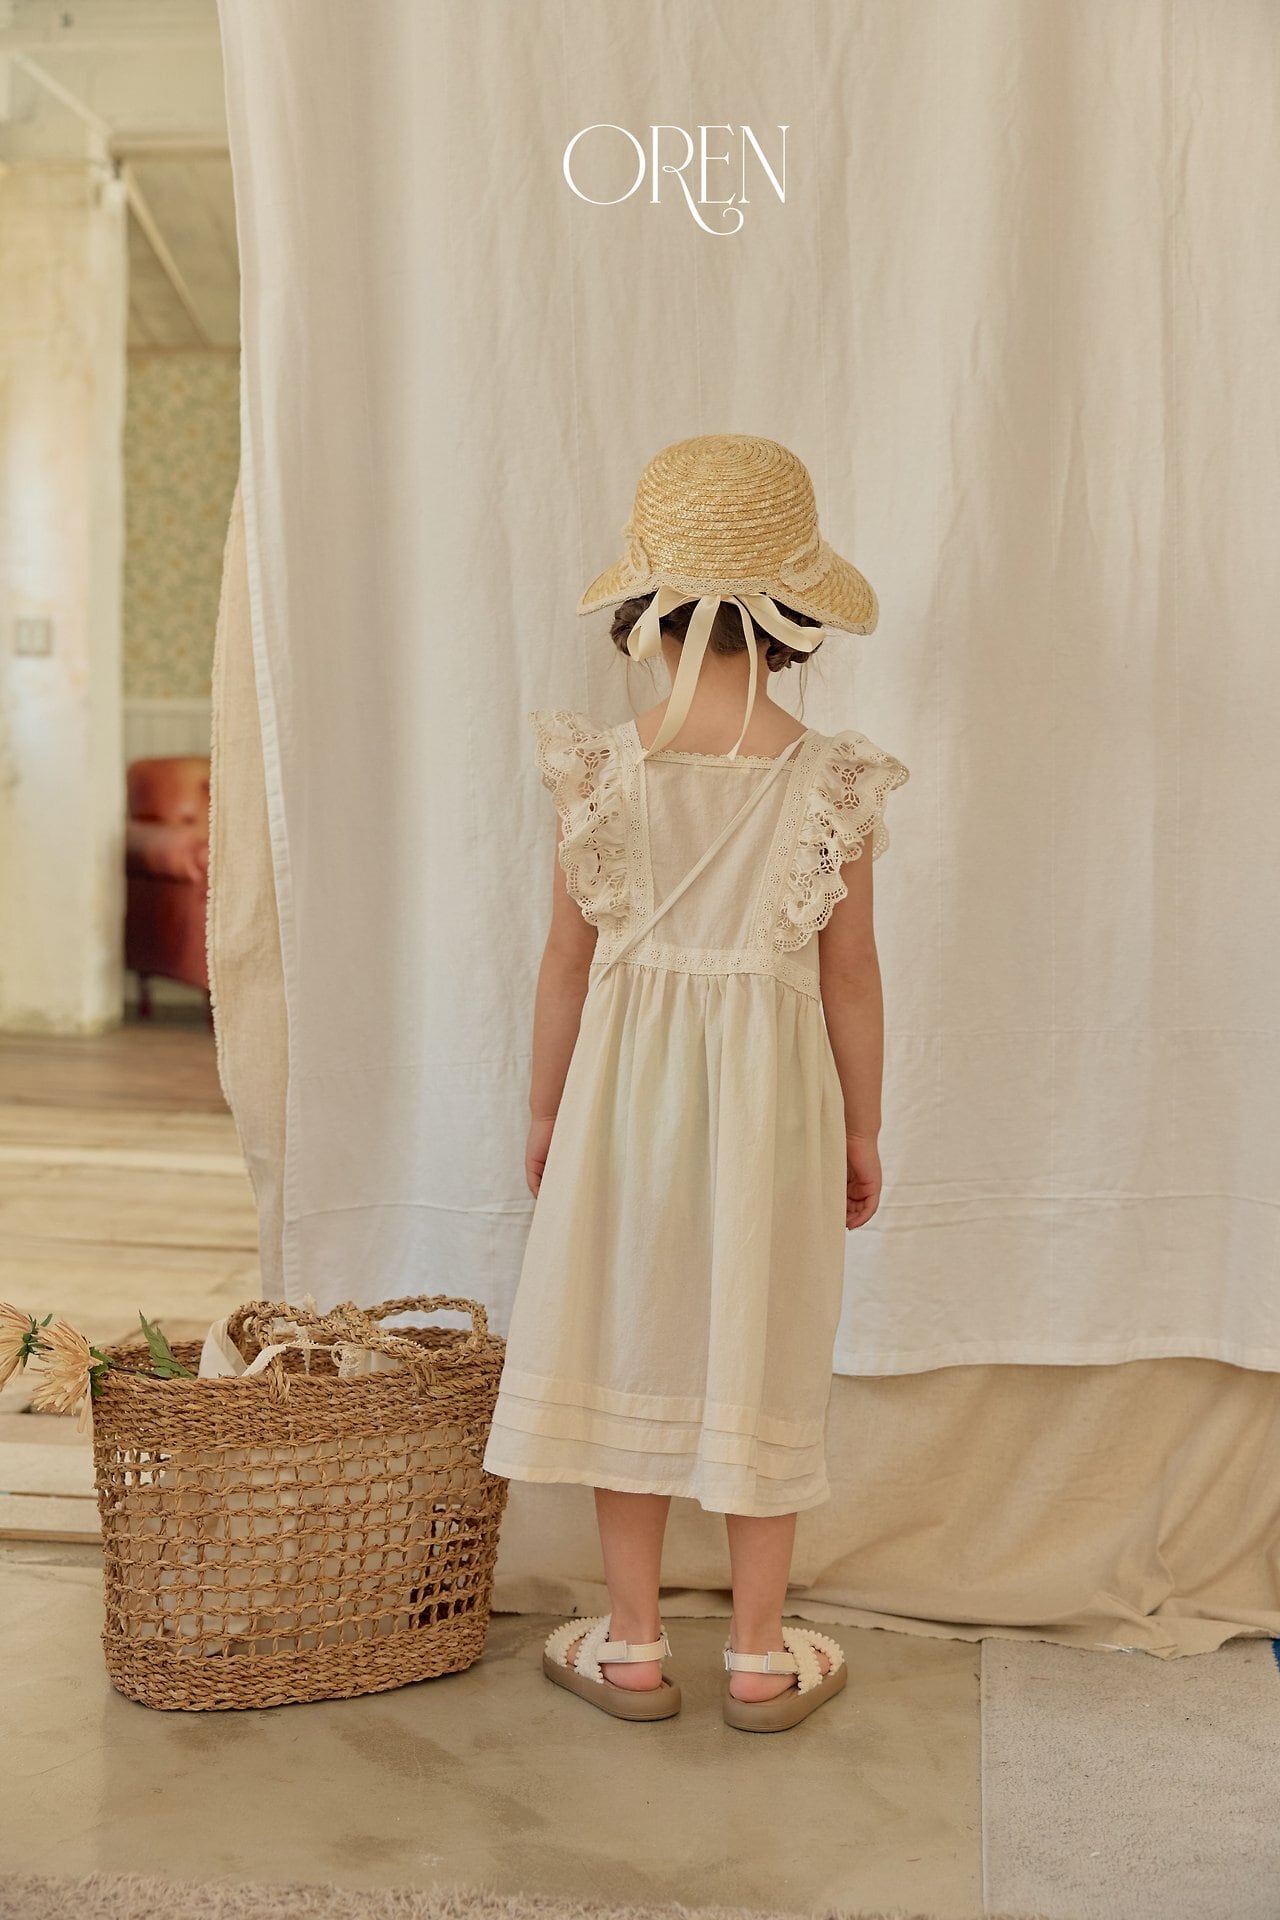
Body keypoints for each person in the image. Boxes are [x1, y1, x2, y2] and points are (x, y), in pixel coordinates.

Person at [481, 434, 910, 1732]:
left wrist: (546, 1110)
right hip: (775, 1111)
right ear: (792, 620)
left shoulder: (601, 771)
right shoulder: (830, 780)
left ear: (646, 610)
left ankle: (629, 1642)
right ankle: (762, 1655)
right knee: (760, 1345)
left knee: (630, 1333)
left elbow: (565, 965)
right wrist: (863, 1128)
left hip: (622, 1104)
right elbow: (851, 978)